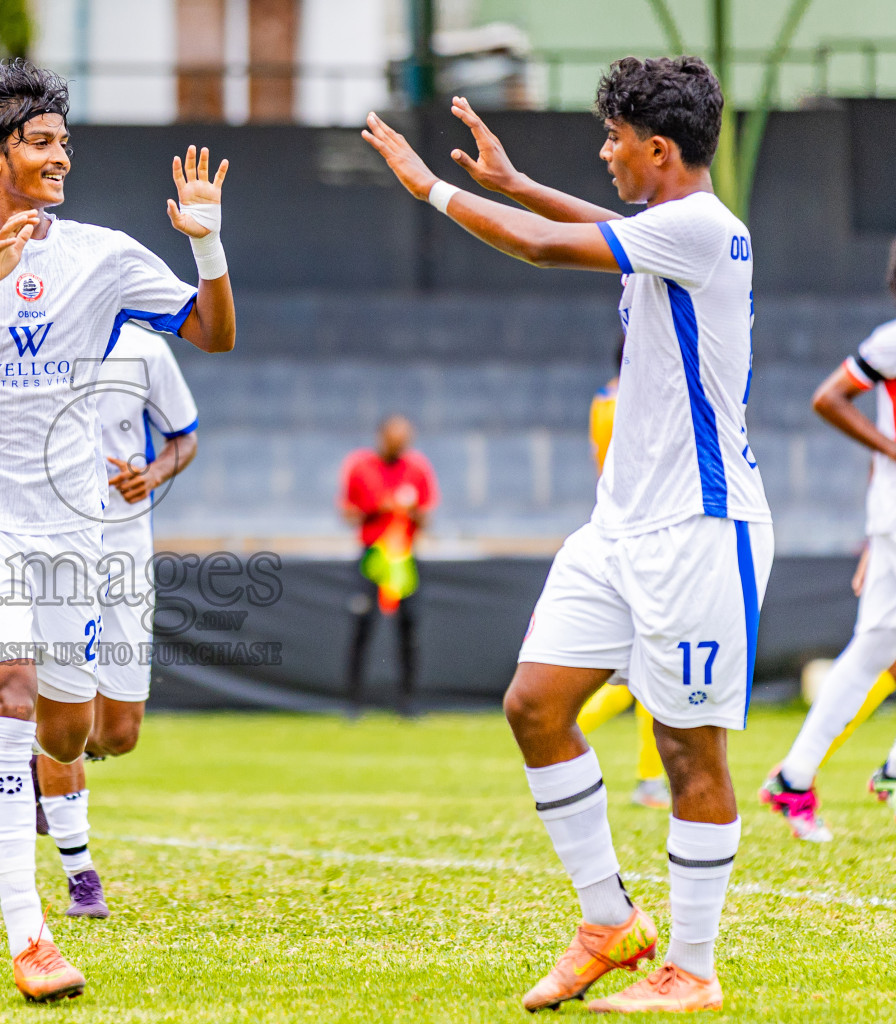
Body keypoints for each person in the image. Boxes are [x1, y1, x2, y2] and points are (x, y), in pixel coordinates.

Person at [362, 56, 772, 1013]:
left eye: (614, 140)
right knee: (535, 705)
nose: (605, 153)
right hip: (618, 529)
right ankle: (609, 923)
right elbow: (596, 224)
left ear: (657, 149)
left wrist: (432, 190)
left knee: (689, 754)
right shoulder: (675, 228)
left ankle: (695, 969)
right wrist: (511, 183)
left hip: (699, 530)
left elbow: (550, 248)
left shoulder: (706, 228)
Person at [0, 60, 236, 1003]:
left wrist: (209, 248)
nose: (61, 154)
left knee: (75, 734)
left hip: (76, 521)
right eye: (41, 141)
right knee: (13, 688)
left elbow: (215, 335)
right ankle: (31, 939)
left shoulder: (104, 256)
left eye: (64, 140)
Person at [36, 321, 200, 918]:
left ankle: (12, 735)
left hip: (127, 549)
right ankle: (82, 877)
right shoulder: (37, 341)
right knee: (67, 719)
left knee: (118, 735)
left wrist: (152, 474)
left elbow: (184, 436)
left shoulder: (145, 348)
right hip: (56, 546)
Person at [760, 238, 896, 841]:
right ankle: (794, 779)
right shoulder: (890, 341)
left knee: (874, 650)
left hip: (886, 519)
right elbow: (827, 397)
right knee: (871, 650)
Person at [577, 344, 670, 810]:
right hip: (643, 536)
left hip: (620, 530)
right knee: (647, 667)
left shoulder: (602, 400)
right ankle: (648, 778)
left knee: (637, 670)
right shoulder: (632, 404)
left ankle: (648, 776)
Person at [338, 415, 438, 713]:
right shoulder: (361, 466)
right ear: (382, 437)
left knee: (409, 628)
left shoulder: (417, 468)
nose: (400, 445)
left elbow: (427, 517)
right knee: (362, 625)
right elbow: (347, 513)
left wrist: (411, 510)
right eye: (395, 439)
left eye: (404, 440)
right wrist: (378, 507)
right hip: (372, 555)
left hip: (404, 557)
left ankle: (407, 702)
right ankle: (353, 703)